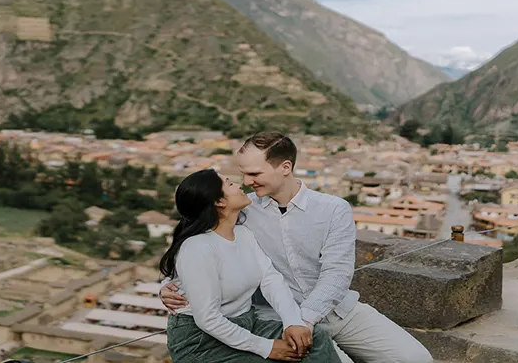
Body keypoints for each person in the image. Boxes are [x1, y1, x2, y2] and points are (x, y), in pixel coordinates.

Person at [161, 132, 434, 363]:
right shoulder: (243, 211)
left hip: (336, 312)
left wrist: (302, 321)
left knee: (417, 359)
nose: (246, 182)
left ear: (285, 168)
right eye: (242, 174)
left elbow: (337, 275)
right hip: (275, 318)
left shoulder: (333, 209)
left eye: (254, 173)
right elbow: (197, 234)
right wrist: (169, 285)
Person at [159, 168, 341, 362]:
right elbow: (207, 319)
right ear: (219, 202)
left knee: (314, 338)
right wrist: (267, 347)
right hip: (200, 341)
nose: (239, 185)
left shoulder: (243, 235)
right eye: (229, 184)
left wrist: (292, 323)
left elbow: (271, 279)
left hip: (246, 324)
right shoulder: (197, 248)